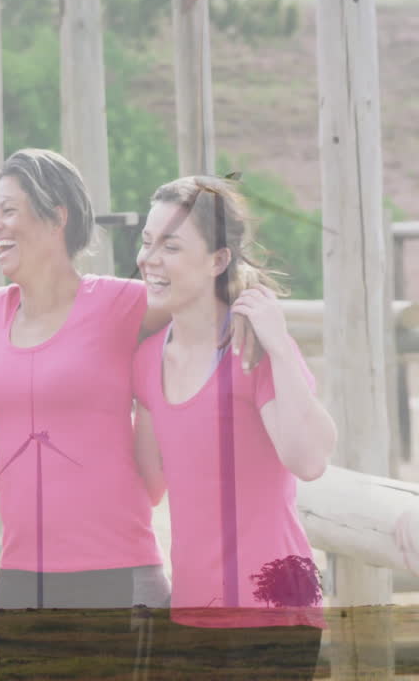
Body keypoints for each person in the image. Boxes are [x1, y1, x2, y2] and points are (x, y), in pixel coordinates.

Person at [0, 149, 171, 680]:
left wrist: (247, 308)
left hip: (117, 576)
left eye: (8, 210)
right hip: (20, 585)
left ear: (57, 216)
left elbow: (206, 295)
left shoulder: (119, 303)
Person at [132, 175, 332, 679]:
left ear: (218, 260)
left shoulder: (252, 351)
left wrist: (281, 343)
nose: (150, 258)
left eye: (171, 245)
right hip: (195, 610)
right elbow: (146, 483)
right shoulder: (147, 360)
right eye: (147, 241)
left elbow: (309, 460)